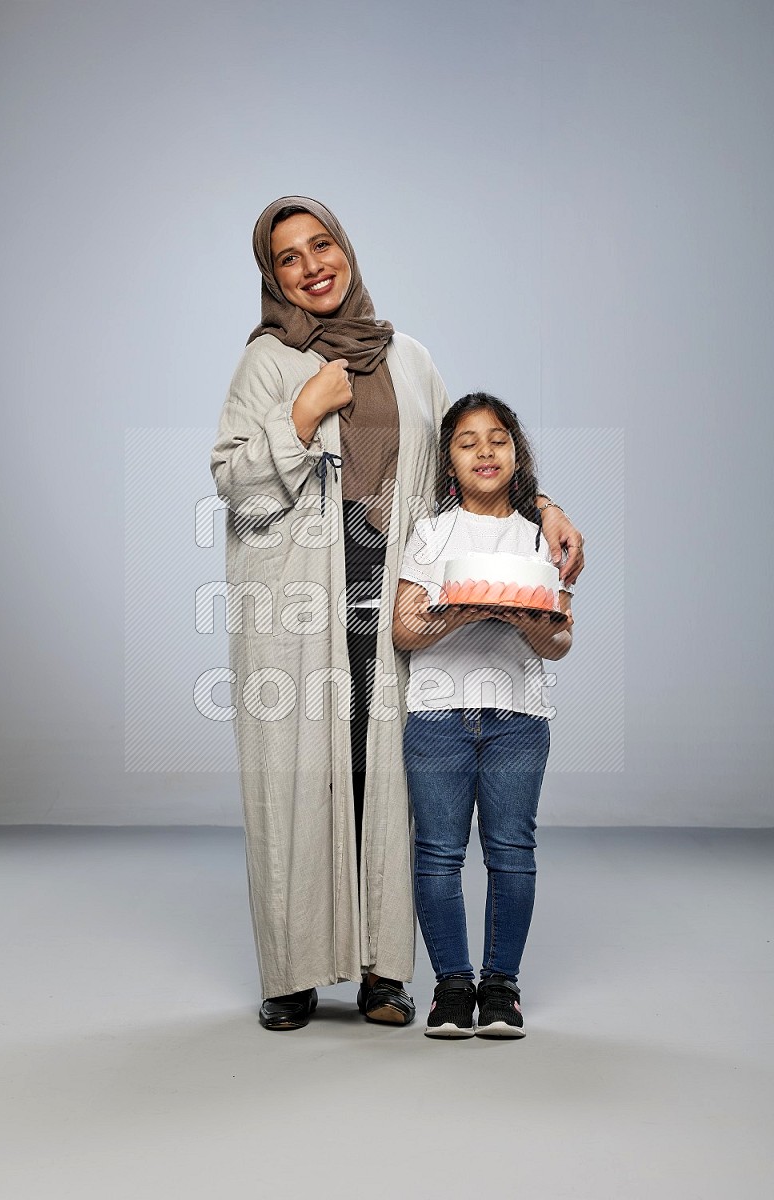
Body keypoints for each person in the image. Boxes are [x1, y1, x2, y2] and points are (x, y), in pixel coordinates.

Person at [211, 197, 584, 1031]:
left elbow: (467, 469)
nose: (312, 266)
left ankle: (385, 974)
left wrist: (546, 505)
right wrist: (302, 413)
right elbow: (233, 481)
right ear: (272, 278)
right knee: (299, 781)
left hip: (394, 599)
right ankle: (294, 974)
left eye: (323, 245)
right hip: (297, 606)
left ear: (346, 248)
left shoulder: (409, 358)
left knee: (390, 785)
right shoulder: (268, 363)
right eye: (289, 259)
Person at [393, 393, 574, 1038]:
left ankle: (500, 988)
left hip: (519, 714)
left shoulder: (538, 536)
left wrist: (526, 617)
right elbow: (405, 630)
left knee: (511, 850)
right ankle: (451, 986)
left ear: (517, 453)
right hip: (438, 711)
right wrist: (459, 612)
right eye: (467, 442)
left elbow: (560, 641)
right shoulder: (431, 533)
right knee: (439, 854)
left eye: (497, 438)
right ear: (450, 461)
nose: (485, 451)